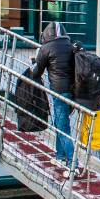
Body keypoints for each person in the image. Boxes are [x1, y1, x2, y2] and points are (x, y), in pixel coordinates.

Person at [30, 22, 76, 164]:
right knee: (60, 122)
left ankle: (72, 162)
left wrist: (32, 63)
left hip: (59, 92)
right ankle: (60, 156)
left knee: (62, 127)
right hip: (74, 91)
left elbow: (37, 72)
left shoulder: (46, 48)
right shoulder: (71, 46)